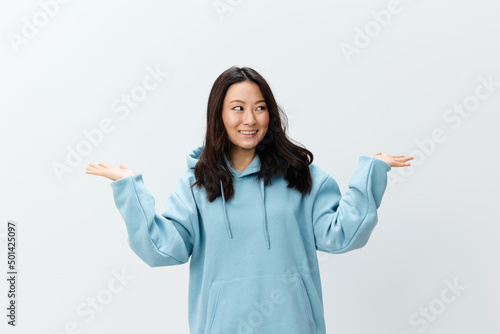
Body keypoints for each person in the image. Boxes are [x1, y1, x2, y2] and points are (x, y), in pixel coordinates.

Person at [85, 66, 413, 334]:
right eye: (238, 109)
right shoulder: (195, 186)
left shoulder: (300, 177)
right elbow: (163, 250)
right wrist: (129, 189)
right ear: (219, 115)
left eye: (259, 108)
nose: (250, 120)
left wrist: (369, 176)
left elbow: (342, 236)